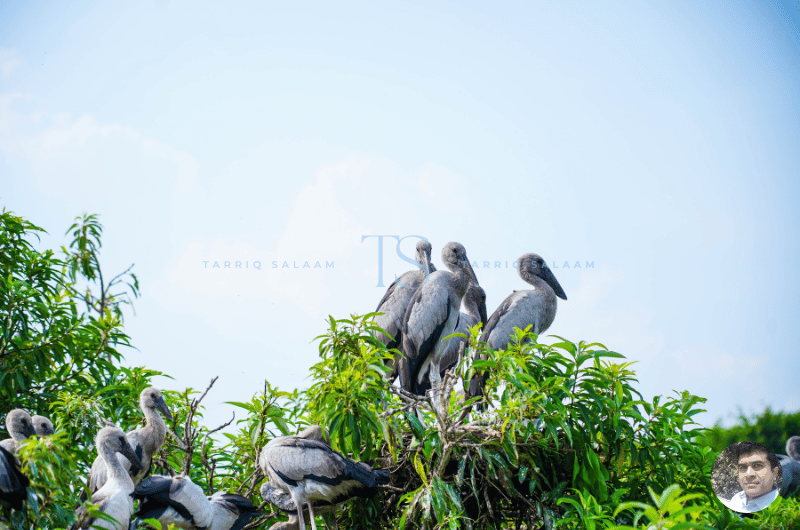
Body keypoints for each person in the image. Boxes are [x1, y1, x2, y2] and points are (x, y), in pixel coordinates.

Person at [721, 441, 782, 513]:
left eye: (757, 466)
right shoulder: (737, 499)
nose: (749, 474)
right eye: (743, 467)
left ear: (774, 473)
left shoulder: (780, 508)